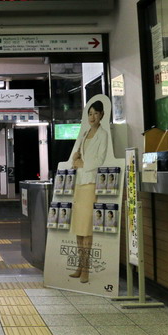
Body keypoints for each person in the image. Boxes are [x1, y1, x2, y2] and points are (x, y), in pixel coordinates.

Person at [69, 100, 108, 283]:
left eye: (95, 113)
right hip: (80, 183)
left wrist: (83, 164)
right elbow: (75, 157)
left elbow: (100, 159)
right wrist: (76, 160)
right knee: (78, 229)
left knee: (87, 229)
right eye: (90, 113)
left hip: (91, 184)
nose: (92, 117)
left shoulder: (103, 134)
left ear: (102, 115)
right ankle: (79, 266)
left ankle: (86, 269)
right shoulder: (84, 134)